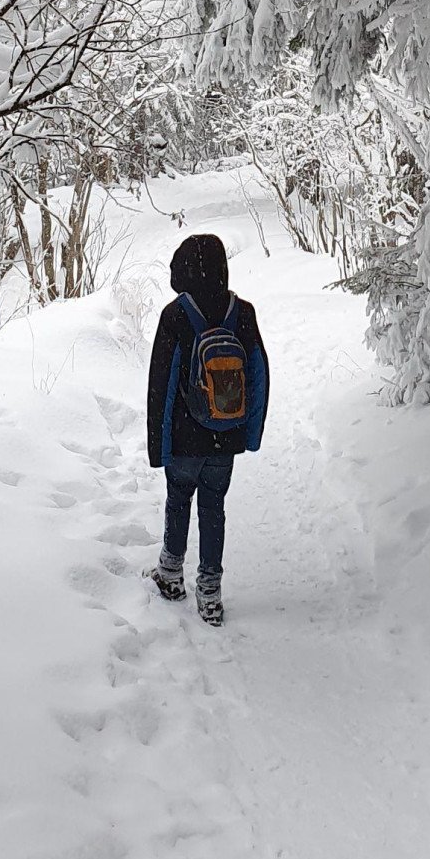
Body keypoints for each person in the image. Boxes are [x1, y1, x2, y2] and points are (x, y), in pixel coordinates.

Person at [145, 232, 268, 627]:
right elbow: (259, 375)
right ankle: (210, 593)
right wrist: (250, 435)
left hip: (184, 438)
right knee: (214, 507)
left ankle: (170, 573)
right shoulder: (242, 312)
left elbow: (160, 386)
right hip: (226, 435)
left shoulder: (176, 315)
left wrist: (157, 446)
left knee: (179, 500)